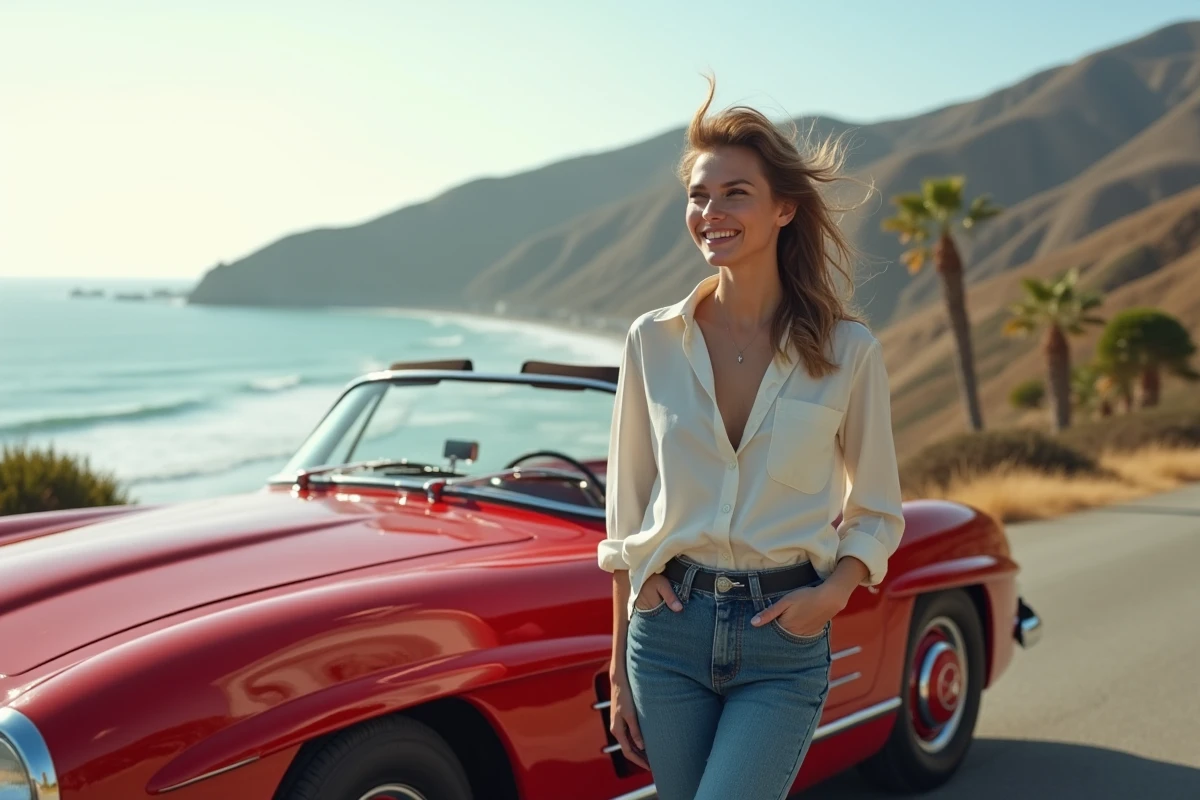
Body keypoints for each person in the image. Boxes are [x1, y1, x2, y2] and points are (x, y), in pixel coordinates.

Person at [597, 79, 906, 800]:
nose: (711, 213)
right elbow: (627, 513)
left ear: (783, 209)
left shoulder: (848, 350)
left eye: (735, 193)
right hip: (666, 638)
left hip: (784, 639)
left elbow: (878, 505)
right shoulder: (652, 342)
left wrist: (833, 593)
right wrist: (619, 665)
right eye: (699, 196)